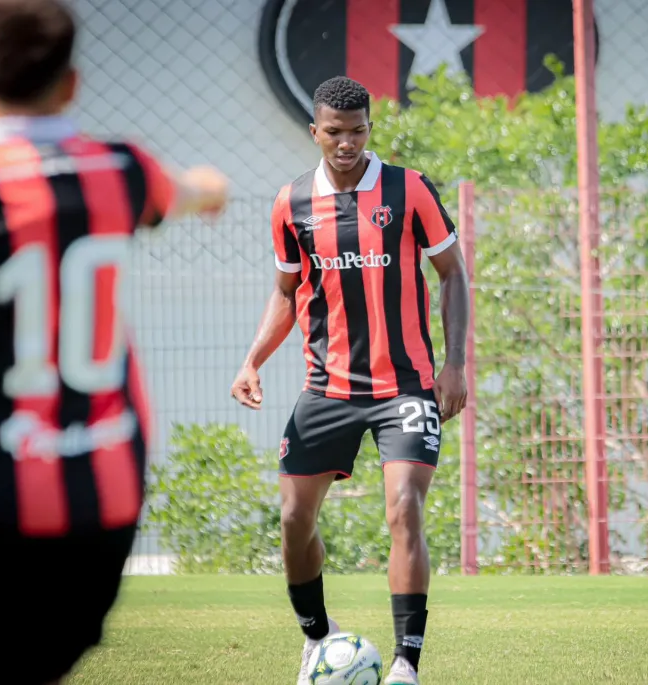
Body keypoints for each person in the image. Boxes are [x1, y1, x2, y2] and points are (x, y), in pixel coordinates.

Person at [0, 1, 230, 683]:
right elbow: (197, 188)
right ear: (73, 85)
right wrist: (213, 189)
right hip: (105, 498)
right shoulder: (122, 170)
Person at [230, 75, 470, 685]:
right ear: (315, 131)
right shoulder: (291, 203)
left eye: (357, 131)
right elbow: (287, 294)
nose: (346, 143)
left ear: (370, 128)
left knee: (404, 508)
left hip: (406, 388)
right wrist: (253, 359)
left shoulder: (408, 189)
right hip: (328, 388)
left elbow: (452, 274)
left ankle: (406, 664)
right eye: (334, 132)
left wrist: (455, 363)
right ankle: (317, 640)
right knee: (292, 519)